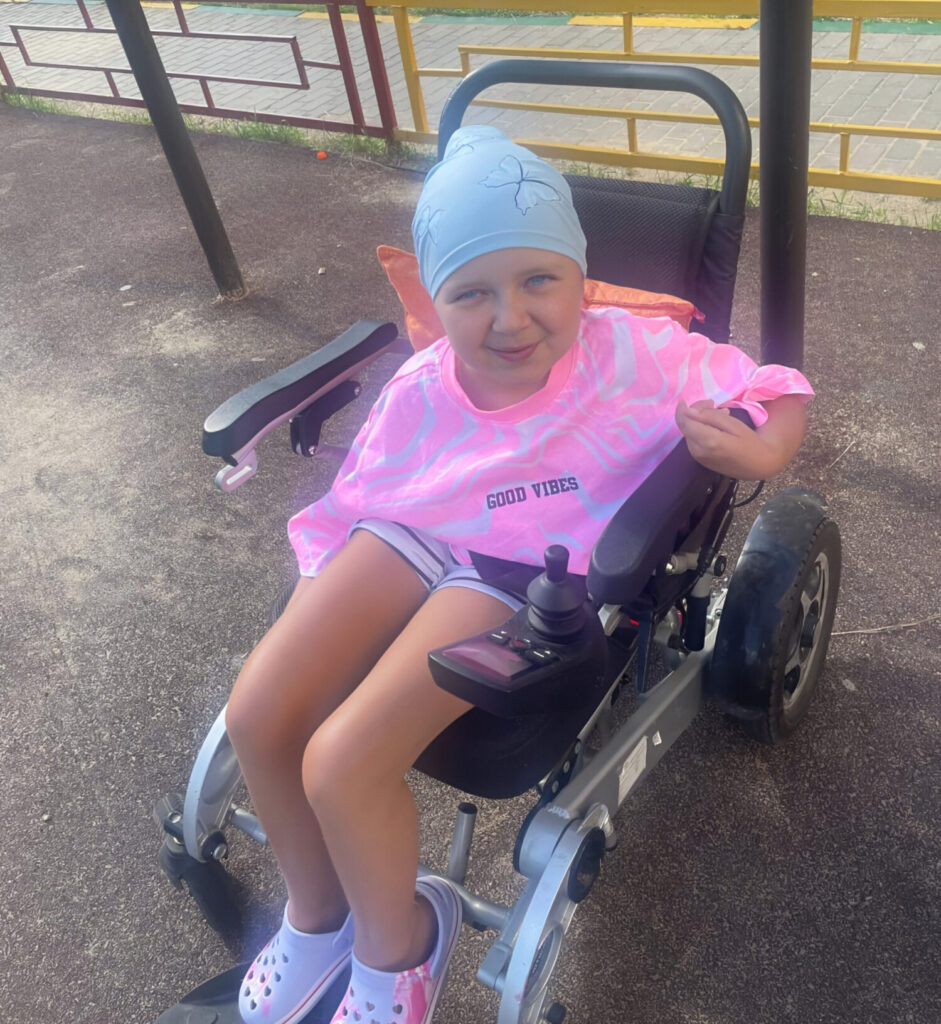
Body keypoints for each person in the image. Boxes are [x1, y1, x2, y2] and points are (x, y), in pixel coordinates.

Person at [226, 125, 813, 1024]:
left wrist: (764, 449)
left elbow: (774, 384)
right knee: (258, 714)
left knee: (341, 762)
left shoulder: (636, 353)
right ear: (435, 298)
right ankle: (318, 916)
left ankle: (399, 949)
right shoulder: (424, 385)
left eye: (540, 280)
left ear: (581, 277)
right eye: (470, 292)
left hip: (513, 565)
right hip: (411, 525)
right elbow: (367, 498)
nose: (510, 318)